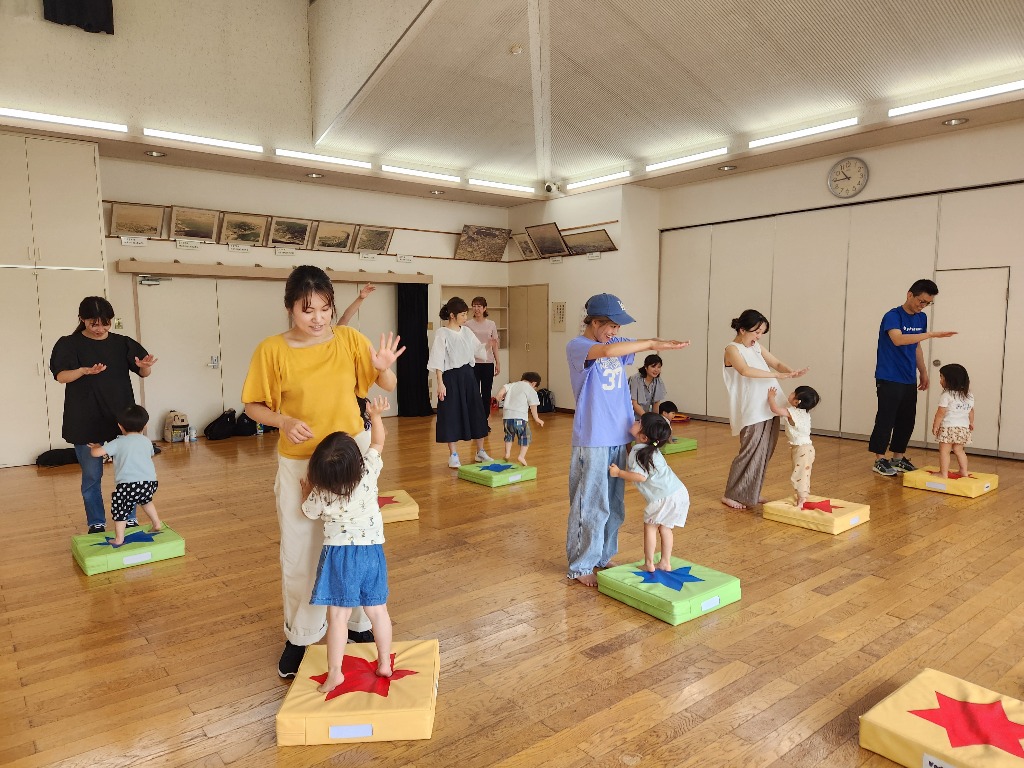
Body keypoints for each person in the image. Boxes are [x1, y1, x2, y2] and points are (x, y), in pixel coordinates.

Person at [242, 265, 404, 679]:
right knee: (301, 551)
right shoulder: (271, 350)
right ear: (290, 308)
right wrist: (282, 421)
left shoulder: (349, 339)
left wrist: (384, 366)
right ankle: (300, 636)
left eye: (325, 309)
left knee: (357, 541)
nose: (318, 319)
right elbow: (253, 406)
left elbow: (385, 384)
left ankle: (359, 624)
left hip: (352, 458)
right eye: (307, 310)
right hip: (302, 462)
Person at [566, 293, 689, 587]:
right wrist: (652, 343)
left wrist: (660, 343)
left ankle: (603, 555)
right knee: (590, 503)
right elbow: (608, 352)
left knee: (614, 504)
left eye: (618, 327)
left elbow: (622, 347)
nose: (615, 332)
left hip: (618, 436)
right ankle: (581, 565)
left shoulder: (616, 343)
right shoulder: (579, 346)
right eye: (610, 326)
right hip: (593, 438)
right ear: (594, 322)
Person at [300, 396, 394, 692]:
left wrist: (306, 490)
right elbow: (378, 442)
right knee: (378, 610)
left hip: (340, 557)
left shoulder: (322, 491)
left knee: (338, 617)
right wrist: (375, 416)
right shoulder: (367, 473)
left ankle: (335, 673)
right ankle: (384, 662)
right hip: (371, 552)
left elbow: (308, 512)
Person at [50, 296, 158, 534]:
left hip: (121, 421)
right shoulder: (69, 344)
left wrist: (146, 366)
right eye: (94, 323)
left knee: (130, 473)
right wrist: (83, 371)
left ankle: (129, 518)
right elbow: (61, 376)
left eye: (105, 323)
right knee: (92, 476)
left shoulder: (122, 343)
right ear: (82, 319)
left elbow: (143, 372)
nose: (100, 329)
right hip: (85, 419)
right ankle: (96, 522)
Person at [721, 309, 808, 511]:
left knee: (765, 451)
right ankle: (731, 494)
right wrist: (777, 376)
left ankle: (751, 491)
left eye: (761, 332)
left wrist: (791, 372)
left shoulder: (756, 347)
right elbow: (745, 371)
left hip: (770, 404)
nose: (759, 336)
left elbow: (776, 363)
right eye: (756, 332)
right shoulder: (732, 349)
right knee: (750, 450)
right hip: (751, 408)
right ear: (742, 330)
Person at [870, 279, 957, 476]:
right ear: (910, 295)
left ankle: (898, 458)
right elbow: (898, 339)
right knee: (886, 418)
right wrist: (931, 334)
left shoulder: (921, 318)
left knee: (906, 420)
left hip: (908, 376)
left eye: (928, 303)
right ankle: (879, 459)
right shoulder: (893, 316)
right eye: (921, 301)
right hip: (889, 376)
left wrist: (923, 371)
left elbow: (916, 346)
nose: (923, 306)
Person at [609, 413, 690, 573]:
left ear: (644, 437)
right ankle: (665, 562)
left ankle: (649, 563)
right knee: (665, 528)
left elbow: (640, 476)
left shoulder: (638, 452)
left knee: (650, 527)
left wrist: (619, 473)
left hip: (663, 498)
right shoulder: (650, 450)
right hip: (678, 492)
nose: (634, 421)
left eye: (639, 422)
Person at [428, 296, 494, 468]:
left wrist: (489, 345)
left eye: (466, 314)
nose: (466, 317)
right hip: (450, 377)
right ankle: (453, 455)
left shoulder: (466, 332)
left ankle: (480, 451)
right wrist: (440, 383)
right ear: (452, 315)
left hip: (468, 376)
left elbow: (478, 349)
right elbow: (438, 359)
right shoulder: (442, 333)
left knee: (476, 411)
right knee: (451, 413)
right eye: (463, 314)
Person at [88, 404, 163, 546]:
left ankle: (119, 539)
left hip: (128, 485)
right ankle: (157, 523)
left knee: (120, 509)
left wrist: (96, 446)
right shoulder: (147, 441)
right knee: (146, 501)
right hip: (150, 483)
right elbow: (150, 454)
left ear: (120, 426)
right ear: (145, 426)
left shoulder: (118, 442)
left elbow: (96, 453)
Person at [767, 386, 821, 508]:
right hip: (807, 448)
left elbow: (775, 409)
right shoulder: (803, 412)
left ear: (797, 402)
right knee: (804, 473)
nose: (790, 393)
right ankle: (803, 495)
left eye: (793, 393)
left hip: (801, 450)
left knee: (800, 474)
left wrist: (771, 397)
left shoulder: (792, 413)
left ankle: (802, 497)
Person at [931, 363, 975, 479]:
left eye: (941, 377)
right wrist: (971, 423)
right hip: (963, 428)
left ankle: (943, 473)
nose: (940, 380)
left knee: (944, 451)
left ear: (950, 380)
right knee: (959, 450)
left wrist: (935, 426)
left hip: (948, 428)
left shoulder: (947, 395)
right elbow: (971, 411)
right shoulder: (969, 395)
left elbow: (941, 413)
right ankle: (964, 471)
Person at [464, 296, 501, 427]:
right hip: (472, 363)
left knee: (486, 393)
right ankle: (473, 421)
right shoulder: (467, 324)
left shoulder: (491, 324)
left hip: (488, 363)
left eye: (479, 306)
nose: (476, 309)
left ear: (485, 308)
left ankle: (484, 421)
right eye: (474, 306)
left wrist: (498, 362)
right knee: (473, 393)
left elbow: (494, 345)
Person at [496, 371, 544, 465]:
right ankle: (521, 456)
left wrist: (499, 396)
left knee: (509, 435)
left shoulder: (512, 385)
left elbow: (503, 388)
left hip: (507, 418)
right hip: (520, 418)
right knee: (525, 436)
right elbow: (533, 405)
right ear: (534, 383)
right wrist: (536, 418)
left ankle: (507, 453)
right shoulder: (530, 389)